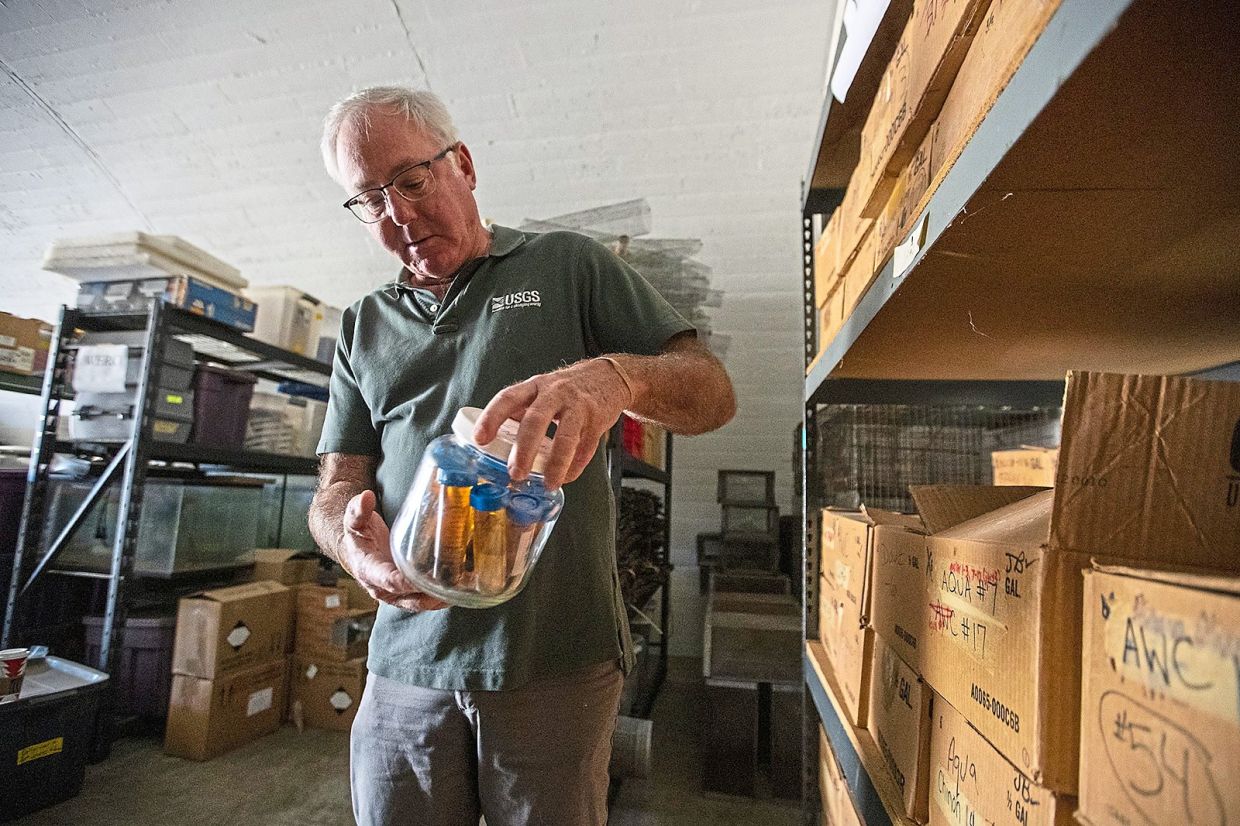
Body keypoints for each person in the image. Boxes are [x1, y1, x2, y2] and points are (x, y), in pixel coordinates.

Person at [308, 86, 736, 826]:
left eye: (411, 181)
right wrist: (351, 545)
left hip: (554, 658)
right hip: (405, 665)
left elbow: (712, 394)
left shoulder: (566, 266)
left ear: (462, 165)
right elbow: (335, 484)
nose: (399, 215)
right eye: (370, 200)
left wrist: (620, 377)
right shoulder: (363, 325)